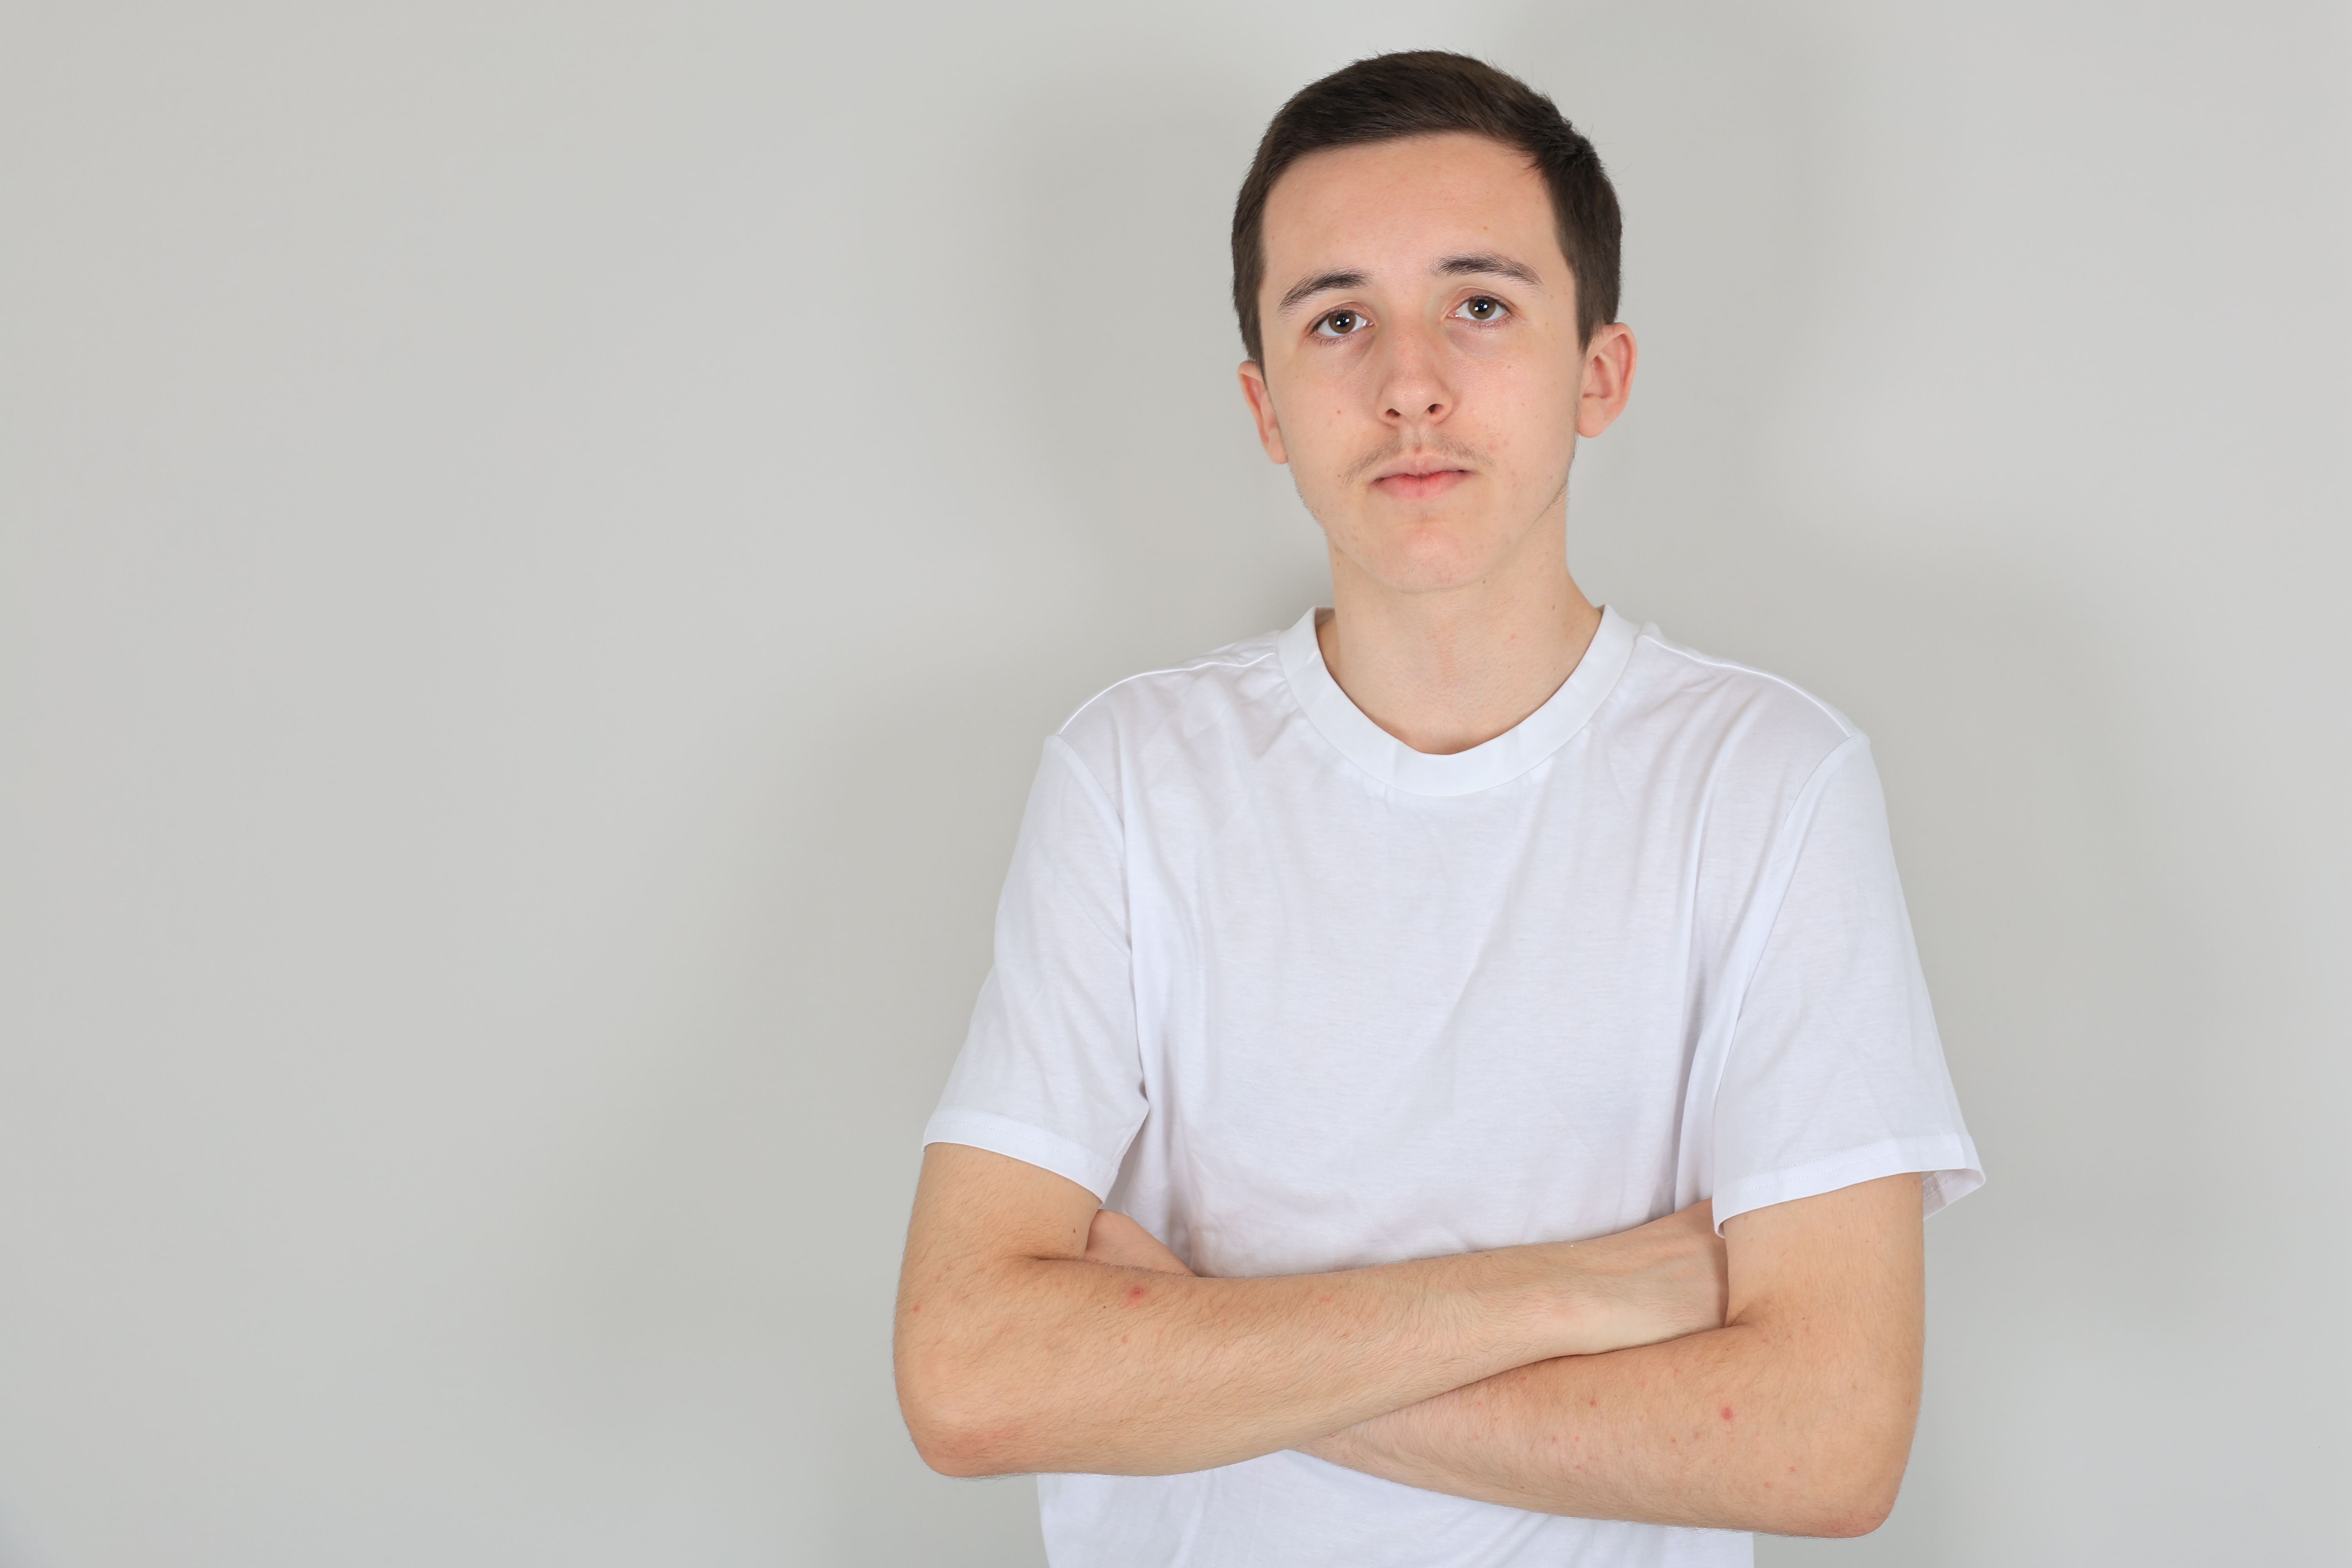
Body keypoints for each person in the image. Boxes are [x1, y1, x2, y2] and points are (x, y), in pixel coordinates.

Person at [893, 49, 1980, 1568]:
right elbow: (970, 1380)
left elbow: (1826, 1442)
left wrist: (1195, 1351)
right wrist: (1585, 1291)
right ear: (1268, 407)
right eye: (1338, 319)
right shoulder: (1133, 774)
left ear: (1599, 372)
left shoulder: (1767, 778)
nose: (1409, 383)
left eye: (1481, 304)